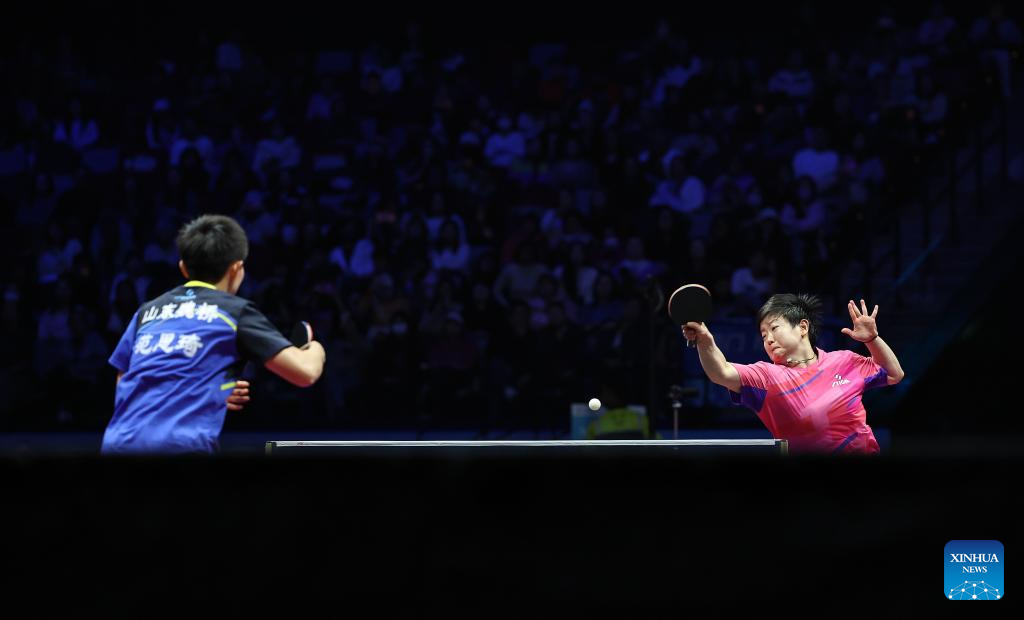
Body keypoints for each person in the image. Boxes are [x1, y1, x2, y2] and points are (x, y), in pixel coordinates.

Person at [102, 214, 326, 454]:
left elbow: (126, 379)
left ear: (183, 268)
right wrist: (316, 348)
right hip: (181, 447)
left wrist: (207, 393)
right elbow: (305, 373)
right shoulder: (234, 312)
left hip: (117, 443)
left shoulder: (147, 312)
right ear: (237, 269)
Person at [682, 293, 904, 455]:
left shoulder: (844, 361)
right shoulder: (767, 377)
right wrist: (705, 340)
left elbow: (894, 374)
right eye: (763, 335)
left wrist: (872, 340)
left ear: (803, 327)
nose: (768, 339)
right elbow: (720, 372)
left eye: (774, 328)